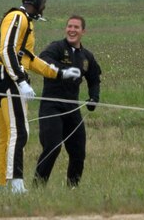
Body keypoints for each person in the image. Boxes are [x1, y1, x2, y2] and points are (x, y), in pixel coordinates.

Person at [0, 0, 81, 194]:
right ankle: (16, 184)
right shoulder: (17, 17)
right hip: (7, 77)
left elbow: (29, 58)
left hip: (4, 76)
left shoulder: (26, 21)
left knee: (6, 134)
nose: (44, 5)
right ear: (35, 2)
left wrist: (59, 73)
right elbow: (6, 50)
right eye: (43, 1)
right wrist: (20, 80)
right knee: (19, 132)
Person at [34, 14, 102, 187]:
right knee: (53, 147)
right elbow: (43, 60)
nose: (72, 30)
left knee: (79, 152)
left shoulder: (87, 57)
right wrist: (64, 70)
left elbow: (94, 78)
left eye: (76, 27)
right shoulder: (56, 47)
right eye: (69, 26)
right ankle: (38, 186)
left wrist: (94, 97)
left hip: (72, 109)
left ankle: (73, 188)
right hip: (51, 107)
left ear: (83, 31)